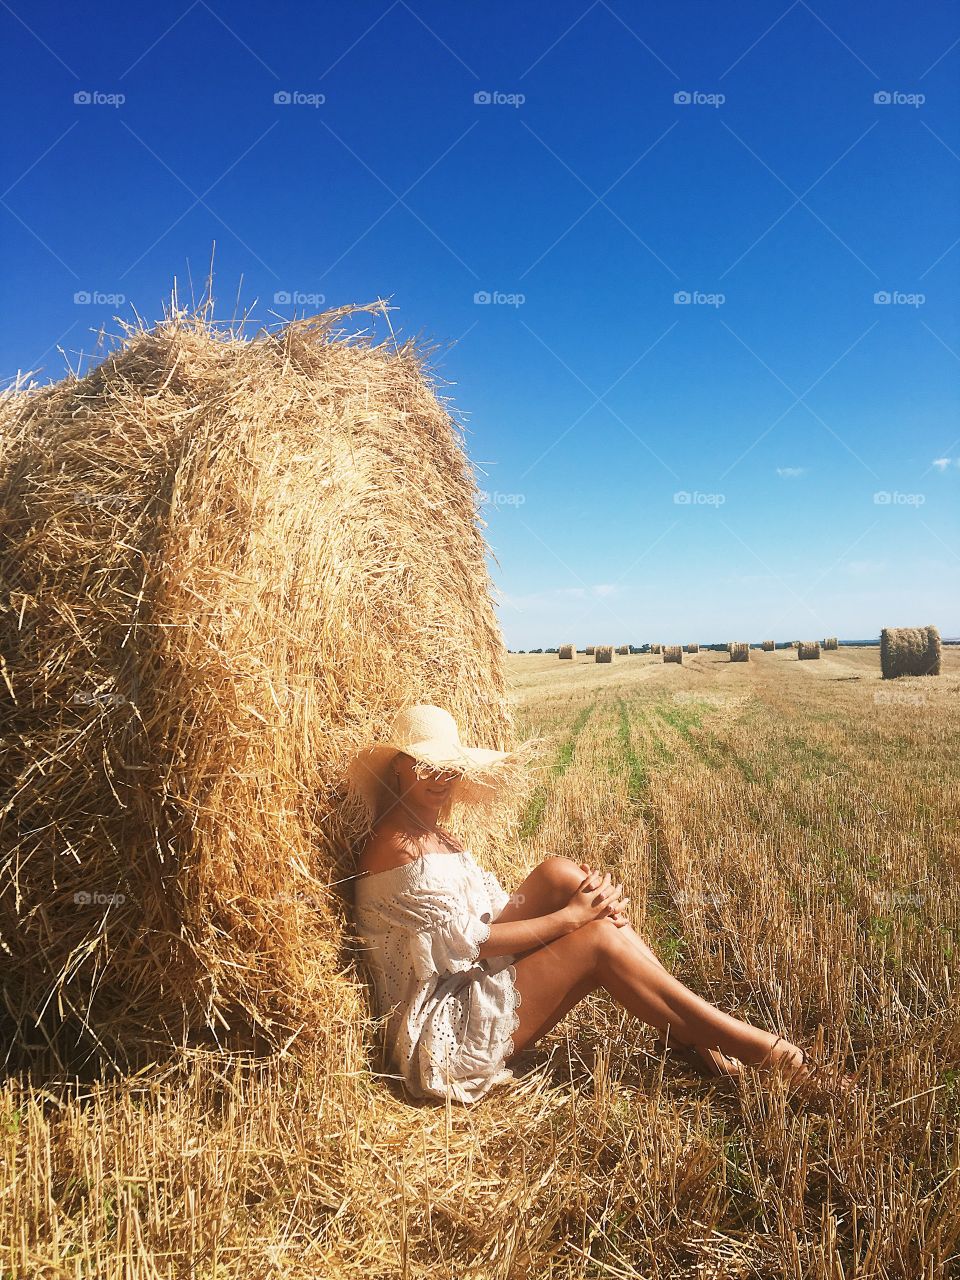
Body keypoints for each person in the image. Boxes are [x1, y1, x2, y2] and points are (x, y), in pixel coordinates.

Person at [341, 704, 856, 1105]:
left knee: (559, 871)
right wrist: (571, 919)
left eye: (449, 768)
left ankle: (694, 1034)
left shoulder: (434, 834)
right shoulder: (394, 846)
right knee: (597, 940)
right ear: (400, 769)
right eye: (427, 766)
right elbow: (472, 945)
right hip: (443, 1023)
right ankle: (767, 1052)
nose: (441, 779)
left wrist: (579, 898)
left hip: (465, 976)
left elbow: (489, 912)